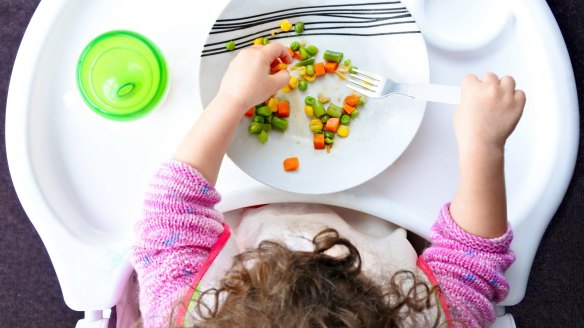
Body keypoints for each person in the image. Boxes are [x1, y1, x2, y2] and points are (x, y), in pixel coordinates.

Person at [131, 42, 525, 328]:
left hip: (251, 214)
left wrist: (231, 99)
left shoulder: (179, 313)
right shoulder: (433, 321)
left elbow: (170, 211)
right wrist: (483, 145)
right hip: (382, 219)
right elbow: (473, 261)